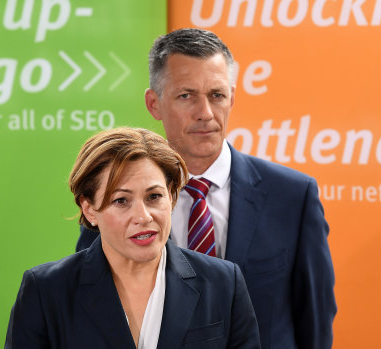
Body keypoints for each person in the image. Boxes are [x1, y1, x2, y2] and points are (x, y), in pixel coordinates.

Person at [77, 29, 337, 348]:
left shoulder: (293, 197)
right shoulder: (114, 199)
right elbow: (91, 310)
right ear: (154, 103)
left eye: (217, 95)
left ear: (232, 97)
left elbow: (315, 323)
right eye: (186, 95)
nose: (206, 113)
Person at [5, 127, 261, 348]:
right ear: (90, 209)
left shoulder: (224, 283)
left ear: (171, 197)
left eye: (154, 197)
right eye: (121, 201)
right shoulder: (46, 291)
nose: (143, 216)